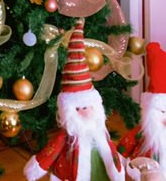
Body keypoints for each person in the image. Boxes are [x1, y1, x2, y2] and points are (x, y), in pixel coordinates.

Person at [24, 18, 125, 181]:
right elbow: (52, 151)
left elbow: (110, 151)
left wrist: (120, 164)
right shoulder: (67, 136)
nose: (84, 112)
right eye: (78, 109)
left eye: (86, 107)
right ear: (68, 111)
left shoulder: (100, 131)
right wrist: (37, 166)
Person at [119, 42, 166, 178]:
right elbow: (125, 145)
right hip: (144, 171)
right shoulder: (142, 132)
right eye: (163, 112)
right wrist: (119, 159)